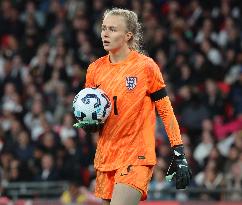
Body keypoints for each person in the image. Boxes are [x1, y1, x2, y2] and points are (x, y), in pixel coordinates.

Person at [76, 8, 192, 205]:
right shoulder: (95, 69)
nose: (105, 33)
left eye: (112, 29)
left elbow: (165, 110)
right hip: (106, 157)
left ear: (128, 35)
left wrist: (179, 152)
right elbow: (91, 111)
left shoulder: (145, 67)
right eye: (104, 28)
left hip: (136, 156)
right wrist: (89, 124)